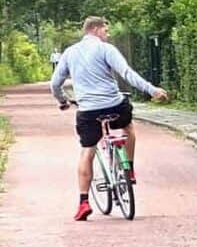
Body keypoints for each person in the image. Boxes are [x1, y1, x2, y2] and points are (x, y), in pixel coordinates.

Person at [48, 16, 169, 220]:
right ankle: (128, 170)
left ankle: (83, 202)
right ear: (95, 29)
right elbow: (126, 73)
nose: (108, 34)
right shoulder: (106, 50)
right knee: (128, 127)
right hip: (115, 105)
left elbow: (55, 84)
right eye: (106, 30)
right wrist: (151, 90)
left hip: (88, 111)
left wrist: (63, 101)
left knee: (88, 150)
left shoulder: (69, 53)